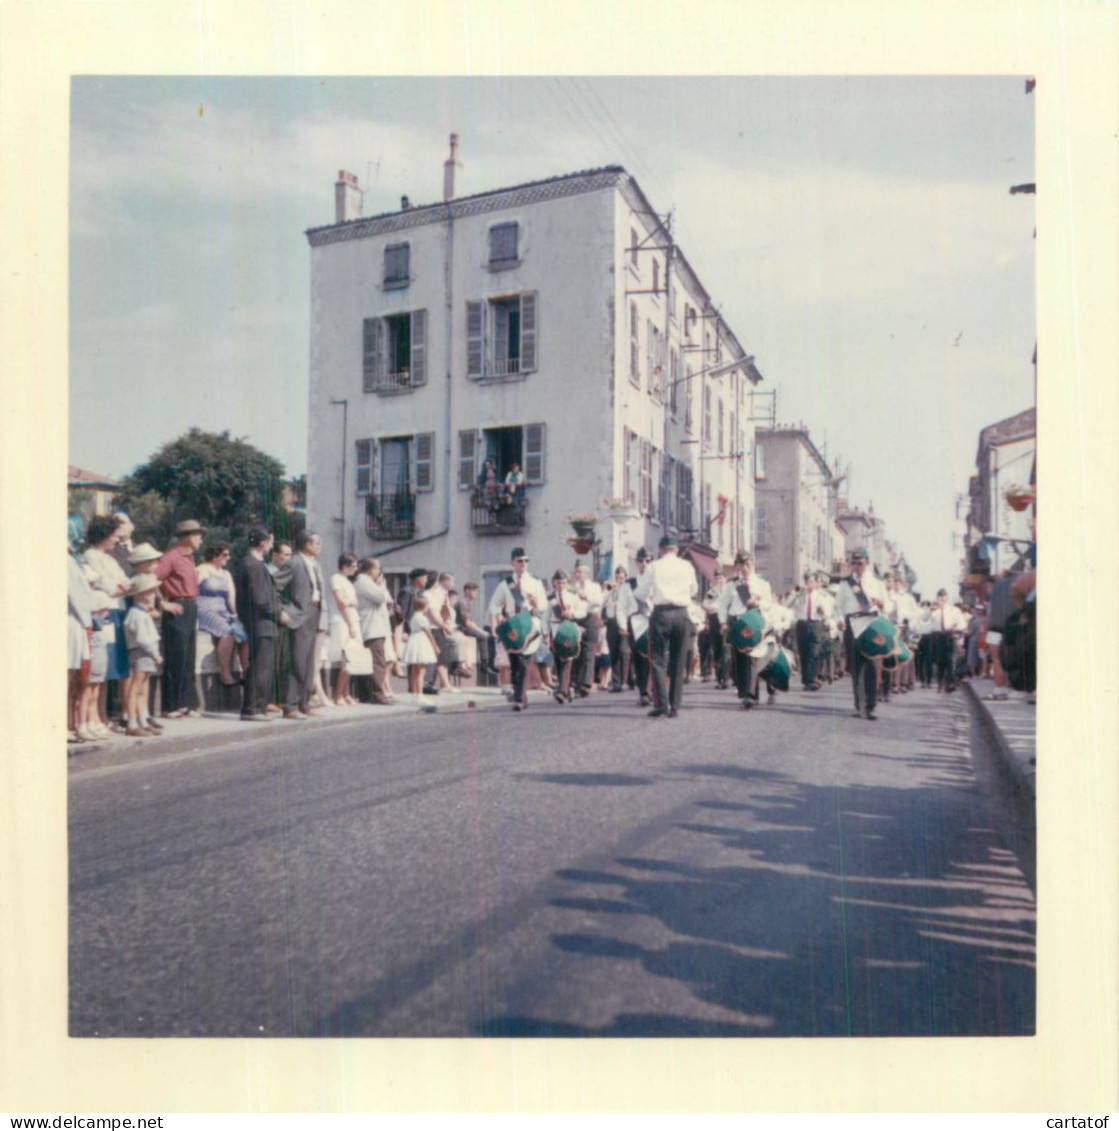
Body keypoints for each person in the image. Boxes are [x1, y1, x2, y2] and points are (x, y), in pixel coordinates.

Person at [642, 536, 698, 718]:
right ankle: (675, 705)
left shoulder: (654, 566)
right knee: (679, 658)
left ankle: (661, 703)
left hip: (661, 613)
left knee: (657, 659)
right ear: (676, 549)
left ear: (661, 550)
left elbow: (642, 591)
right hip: (682, 613)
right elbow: (694, 591)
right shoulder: (687, 566)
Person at [155, 518, 205, 718]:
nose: (201, 539)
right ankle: (171, 705)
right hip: (178, 606)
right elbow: (153, 578)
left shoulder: (189, 557)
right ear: (188, 537)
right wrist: (163, 603)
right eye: (198, 535)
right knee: (176, 656)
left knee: (188, 657)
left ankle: (185, 703)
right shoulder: (171, 557)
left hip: (190, 606)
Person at [487, 546, 547, 711]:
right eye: (520, 561)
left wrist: (537, 605)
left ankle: (519, 698)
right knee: (515, 663)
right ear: (513, 562)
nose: (524, 564)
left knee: (523, 661)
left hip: (529, 623)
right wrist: (498, 614)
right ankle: (521, 695)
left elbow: (543, 605)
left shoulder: (535, 583)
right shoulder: (505, 585)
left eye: (526, 561)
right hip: (512, 624)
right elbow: (494, 604)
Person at [276, 530, 327, 720]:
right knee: (295, 661)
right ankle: (290, 706)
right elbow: (273, 586)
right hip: (298, 615)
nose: (319, 545)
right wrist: (283, 610)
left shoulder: (313, 564)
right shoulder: (294, 562)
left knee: (308, 661)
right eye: (316, 542)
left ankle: (304, 704)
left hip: (313, 612)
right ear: (306, 544)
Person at [834, 547, 888, 720]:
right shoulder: (845, 583)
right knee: (857, 666)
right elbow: (838, 606)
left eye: (861, 563)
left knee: (872, 665)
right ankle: (860, 705)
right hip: (853, 624)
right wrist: (840, 620)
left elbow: (888, 606)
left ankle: (871, 706)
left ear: (867, 563)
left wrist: (880, 604)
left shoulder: (877, 583)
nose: (857, 566)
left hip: (871, 624)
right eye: (854, 563)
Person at [235, 528, 283, 722]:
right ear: (263, 543)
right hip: (261, 622)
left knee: (263, 665)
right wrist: (279, 614)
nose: (272, 545)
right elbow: (261, 599)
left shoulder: (252, 563)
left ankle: (258, 707)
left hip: (259, 621)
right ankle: (252, 708)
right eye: (271, 541)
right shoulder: (253, 565)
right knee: (261, 666)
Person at [716, 550, 774, 710]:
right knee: (739, 659)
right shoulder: (732, 584)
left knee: (752, 659)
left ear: (753, 564)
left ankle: (750, 695)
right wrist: (723, 622)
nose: (745, 568)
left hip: (753, 622)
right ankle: (745, 692)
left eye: (748, 564)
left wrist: (758, 603)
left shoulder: (762, 583)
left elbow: (769, 604)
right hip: (736, 622)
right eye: (742, 565)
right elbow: (722, 604)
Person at [197, 541, 250, 688]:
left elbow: (231, 598)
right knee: (227, 631)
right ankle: (225, 673)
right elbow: (192, 591)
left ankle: (246, 673)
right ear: (215, 555)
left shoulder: (226, 574)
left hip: (223, 611)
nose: (228, 557)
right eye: (225, 554)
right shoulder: (202, 570)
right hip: (205, 609)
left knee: (243, 635)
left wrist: (235, 616)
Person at [122, 574, 163, 736]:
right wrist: (155, 654)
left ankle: (142, 721)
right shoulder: (137, 614)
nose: (154, 595)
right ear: (143, 594)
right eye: (151, 592)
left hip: (145, 654)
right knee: (136, 688)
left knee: (140, 689)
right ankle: (132, 723)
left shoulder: (142, 612)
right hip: (142, 653)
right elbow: (143, 638)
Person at [353, 556, 395, 705]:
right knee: (377, 662)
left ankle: (369, 695)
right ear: (371, 569)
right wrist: (382, 585)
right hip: (372, 628)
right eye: (377, 568)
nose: (379, 571)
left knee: (375, 662)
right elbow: (380, 597)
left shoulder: (369, 582)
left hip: (377, 627)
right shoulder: (363, 581)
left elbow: (389, 600)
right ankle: (377, 694)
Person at [328, 553, 361, 705]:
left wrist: (351, 604)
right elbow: (341, 603)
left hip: (352, 620)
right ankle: (338, 694)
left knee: (352, 659)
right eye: (353, 566)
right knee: (345, 659)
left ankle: (346, 693)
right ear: (345, 566)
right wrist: (350, 624)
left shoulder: (348, 581)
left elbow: (353, 603)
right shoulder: (336, 579)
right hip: (343, 622)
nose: (356, 569)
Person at [548, 568, 585, 702]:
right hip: (555, 629)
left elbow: (583, 612)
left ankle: (563, 691)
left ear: (567, 583)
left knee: (567, 659)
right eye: (558, 583)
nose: (561, 585)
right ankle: (566, 689)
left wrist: (572, 614)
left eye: (563, 582)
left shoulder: (572, 595)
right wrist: (546, 634)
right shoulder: (550, 597)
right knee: (558, 661)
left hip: (569, 629)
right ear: (554, 583)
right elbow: (545, 617)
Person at [790, 571, 831, 691]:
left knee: (814, 652)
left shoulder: (821, 595)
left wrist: (822, 611)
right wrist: (797, 594)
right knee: (803, 653)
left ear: (815, 582)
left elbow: (827, 612)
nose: (809, 584)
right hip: (802, 624)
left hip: (815, 623)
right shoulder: (800, 594)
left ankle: (813, 679)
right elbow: (789, 605)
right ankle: (806, 680)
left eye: (811, 582)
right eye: (807, 581)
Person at [570, 560, 603, 697]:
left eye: (580, 572)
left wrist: (587, 597)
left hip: (590, 618)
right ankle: (577, 683)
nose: (578, 575)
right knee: (577, 652)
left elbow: (599, 601)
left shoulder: (594, 586)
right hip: (577, 618)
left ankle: (585, 684)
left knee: (589, 652)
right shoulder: (573, 587)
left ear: (586, 573)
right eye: (576, 571)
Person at [928, 588, 968, 692]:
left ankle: (950, 683)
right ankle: (940, 682)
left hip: (951, 636)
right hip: (938, 636)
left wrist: (957, 629)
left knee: (951, 660)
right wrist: (931, 610)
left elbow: (962, 623)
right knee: (940, 661)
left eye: (943, 596)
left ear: (947, 598)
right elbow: (925, 622)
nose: (941, 599)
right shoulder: (933, 611)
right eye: (939, 596)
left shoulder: (954, 610)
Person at [402, 594, 438, 703]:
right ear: (424, 606)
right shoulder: (422, 618)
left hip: (414, 641)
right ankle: (420, 695)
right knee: (421, 671)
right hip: (421, 642)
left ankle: (415, 694)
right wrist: (435, 646)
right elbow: (429, 633)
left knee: (414, 671)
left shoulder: (414, 616)